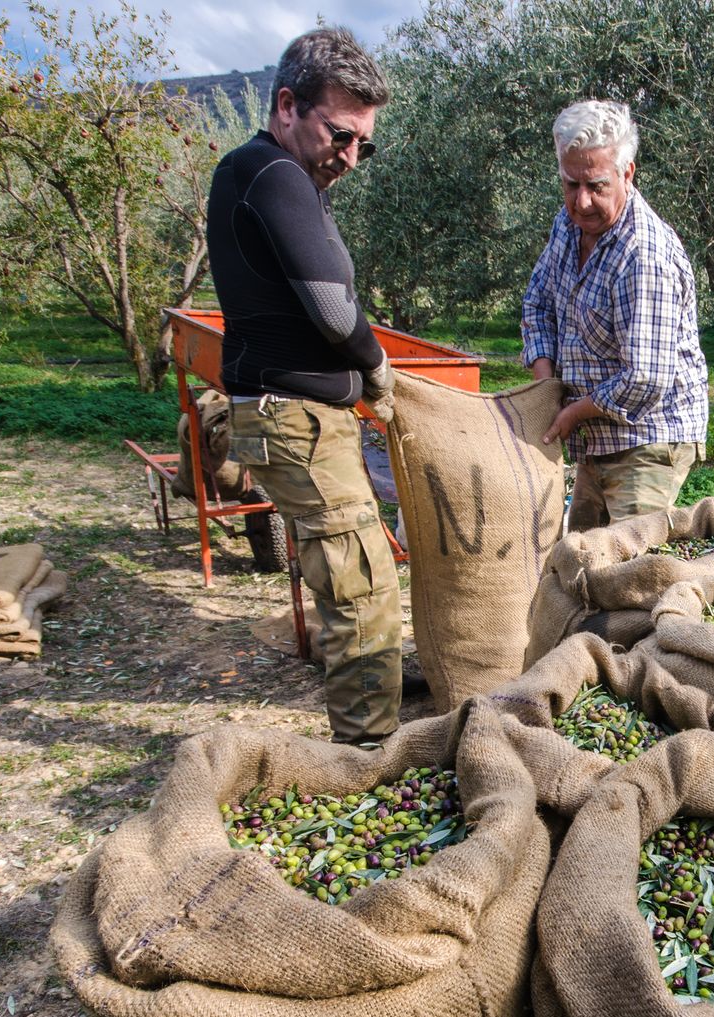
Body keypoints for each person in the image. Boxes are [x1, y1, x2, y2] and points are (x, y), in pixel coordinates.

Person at [205, 28, 401, 743]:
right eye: (340, 135)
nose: (349, 158)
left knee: (346, 570)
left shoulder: (259, 174)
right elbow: (331, 308)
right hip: (295, 418)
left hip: (290, 415)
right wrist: (375, 367)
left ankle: (369, 701)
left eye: (363, 146)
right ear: (287, 105)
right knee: (361, 583)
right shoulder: (274, 173)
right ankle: (366, 745)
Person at [521, 100, 709, 533]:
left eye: (596, 185)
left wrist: (572, 413)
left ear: (627, 174)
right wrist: (547, 388)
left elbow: (645, 379)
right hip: (596, 435)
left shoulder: (644, 255)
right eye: (571, 184)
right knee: (581, 551)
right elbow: (537, 304)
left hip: (649, 435)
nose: (582, 201)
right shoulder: (568, 225)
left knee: (629, 562)